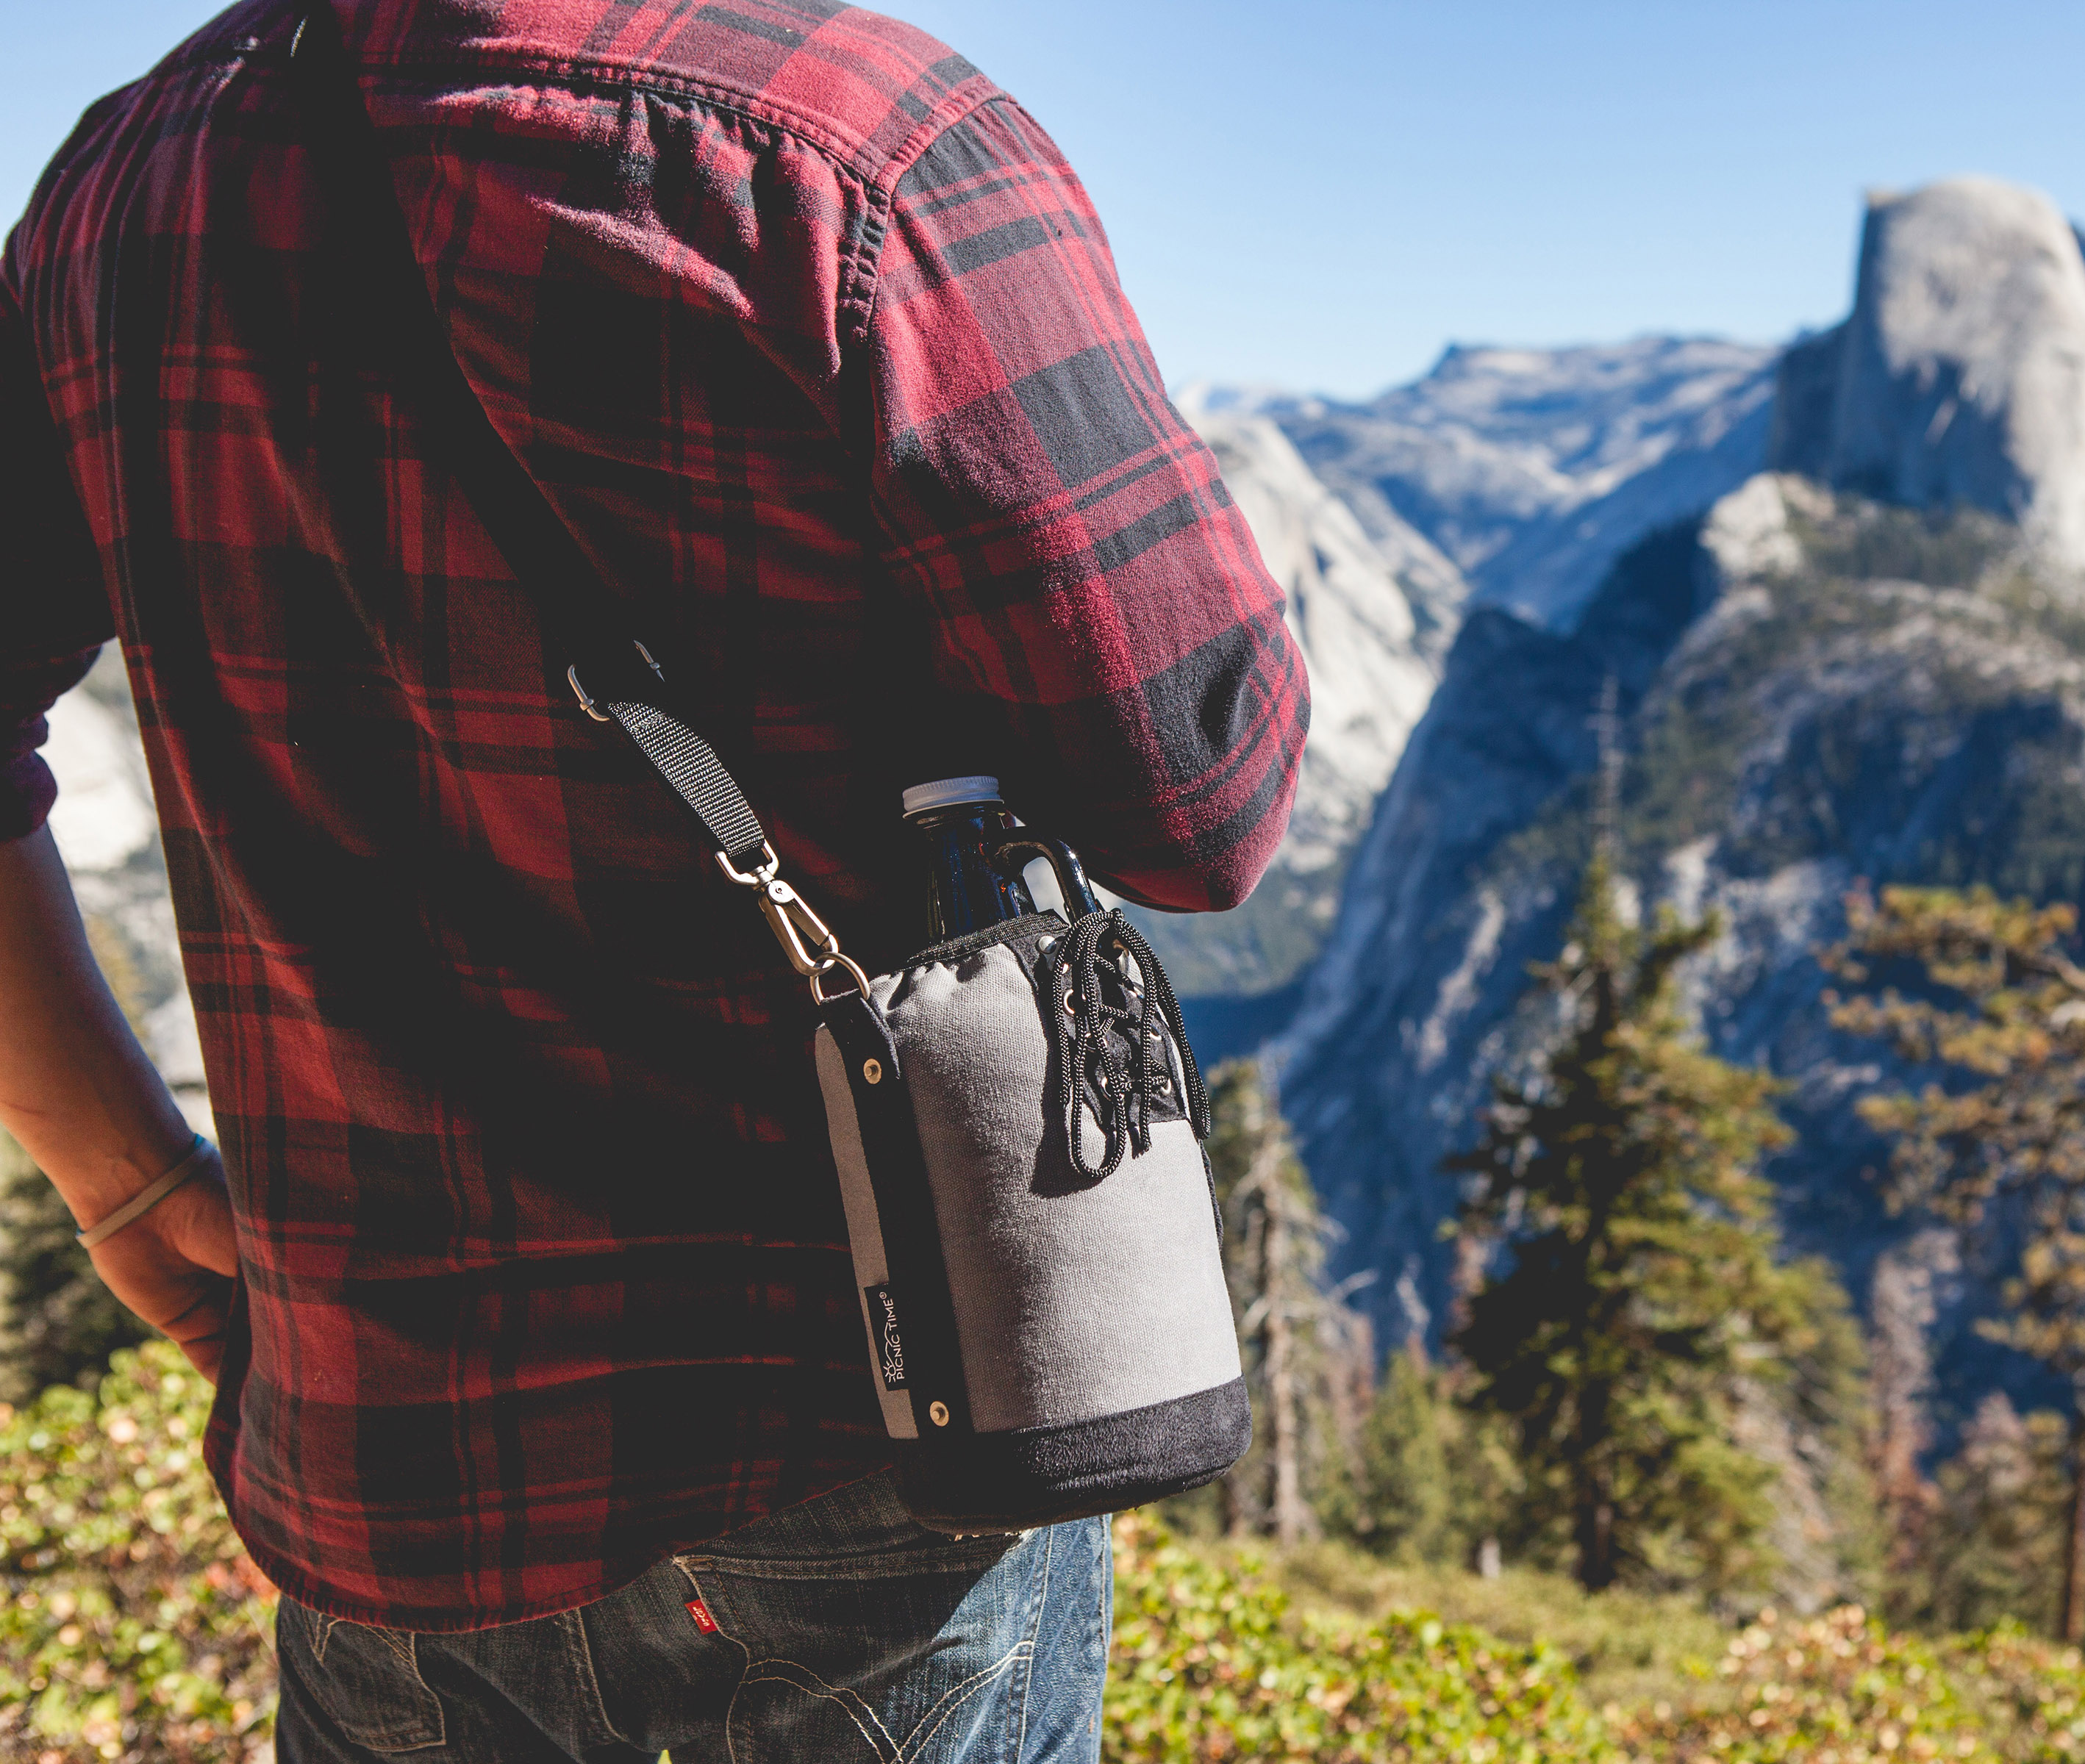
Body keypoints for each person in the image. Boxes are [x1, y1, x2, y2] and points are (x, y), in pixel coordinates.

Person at [0, 0, 1306, 1756]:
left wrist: (131, 1188)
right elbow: (1205, 807)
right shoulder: (866, 151)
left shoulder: (122, 184)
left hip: (379, 1476)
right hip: (865, 1443)